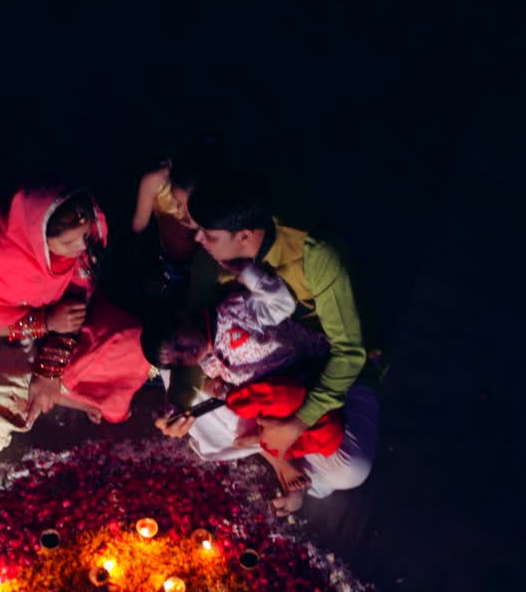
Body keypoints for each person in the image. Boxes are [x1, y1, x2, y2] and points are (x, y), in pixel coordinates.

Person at [0, 185, 151, 462]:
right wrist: (43, 324)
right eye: (69, 243)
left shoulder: (83, 240)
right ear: (38, 239)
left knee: (132, 341)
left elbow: (77, 304)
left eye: (85, 236)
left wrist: (49, 369)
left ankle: (46, 392)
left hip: (51, 331)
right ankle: (57, 396)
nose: (80, 248)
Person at [147, 254, 377, 515]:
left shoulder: (232, 312)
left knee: (347, 464)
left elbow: (281, 303)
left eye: (180, 343)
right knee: (238, 410)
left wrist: (248, 273)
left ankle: (282, 454)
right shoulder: (203, 360)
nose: (186, 354)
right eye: (179, 359)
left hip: (306, 376)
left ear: (182, 317)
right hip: (269, 399)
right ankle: (283, 459)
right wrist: (197, 397)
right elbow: (207, 384)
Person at [167, 173, 371, 463]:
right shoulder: (207, 263)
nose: (198, 239)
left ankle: (277, 447)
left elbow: (349, 355)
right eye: (199, 229)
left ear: (245, 236)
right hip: (256, 375)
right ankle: (272, 448)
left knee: (351, 469)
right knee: (165, 359)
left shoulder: (315, 254)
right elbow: (192, 336)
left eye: (209, 234)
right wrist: (177, 403)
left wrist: (297, 424)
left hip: (319, 367)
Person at [129, 134, 224, 310]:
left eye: (192, 207)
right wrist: (136, 276)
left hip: (200, 266)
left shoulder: (219, 197)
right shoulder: (155, 182)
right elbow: (138, 231)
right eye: (176, 202)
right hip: (163, 257)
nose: (181, 213)